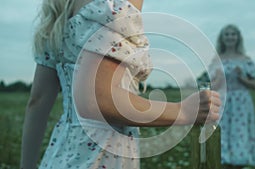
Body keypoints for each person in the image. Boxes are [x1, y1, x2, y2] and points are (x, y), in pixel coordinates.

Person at [20, 0, 222, 168]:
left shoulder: (58, 18)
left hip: (60, 154)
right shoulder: (113, 5)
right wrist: (183, 111)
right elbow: (98, 100)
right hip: (101, 155)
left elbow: (37, 102)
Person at [213, 24, 255, 169]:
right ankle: (225, 162)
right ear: (222, 38)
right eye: (227, 34)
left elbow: (254, 85)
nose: (230, 37)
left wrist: (241, 77)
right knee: (223, 133)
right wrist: (220, 79)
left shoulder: (245, 59)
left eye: (233, 34)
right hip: (223, 100)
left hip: (241, 103)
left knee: (240, 133)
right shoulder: (217, 59)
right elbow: (212, 86)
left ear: (238, 38)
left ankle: (239, 162)